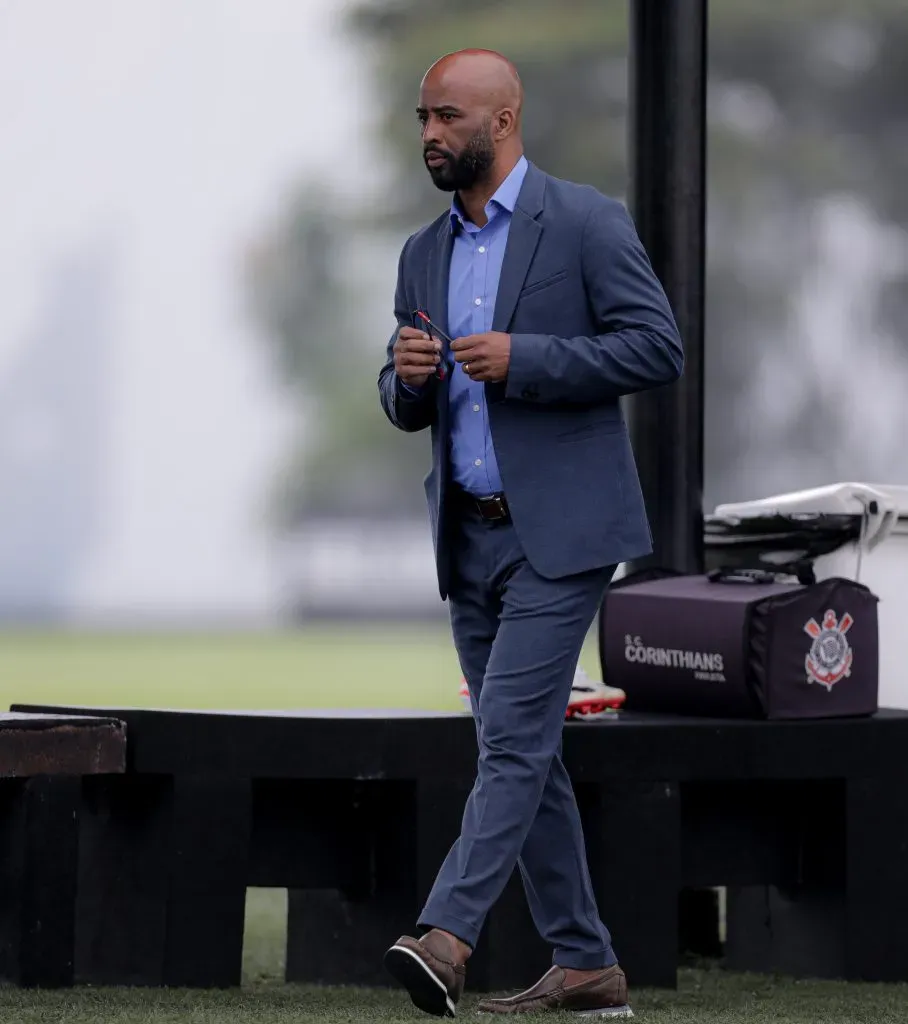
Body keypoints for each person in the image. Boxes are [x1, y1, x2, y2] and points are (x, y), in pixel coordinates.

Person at [377, 48, 683, 1018]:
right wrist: (409, 376)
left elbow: (654, 346)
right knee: (528, 750)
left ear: (500, 121)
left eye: (446, 118)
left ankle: (445, 935)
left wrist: (526, 357)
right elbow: (398, 400)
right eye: (422, 116)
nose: (428, 133)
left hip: (561, 535)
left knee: (509, 737)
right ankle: (585, 963)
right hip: (465, 539)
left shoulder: (584, 221)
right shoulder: (421, 251)